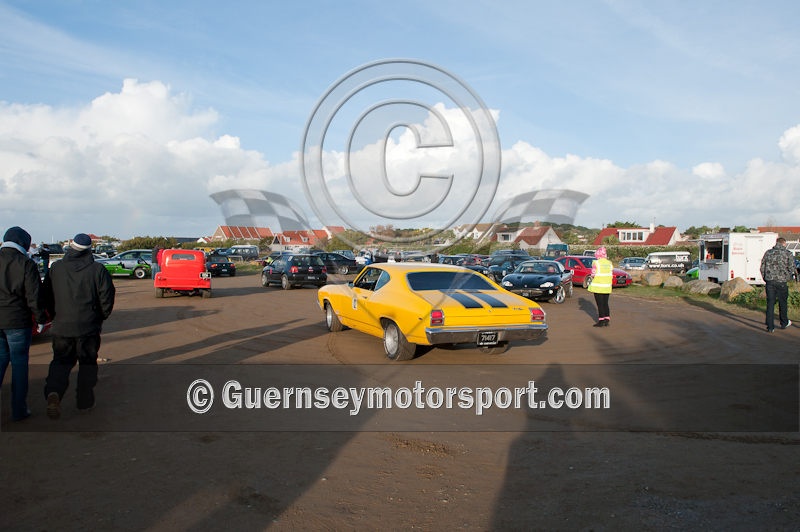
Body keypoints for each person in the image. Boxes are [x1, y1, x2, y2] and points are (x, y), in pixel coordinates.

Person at [43, 233, 115, 419]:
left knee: (60, 361)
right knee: (87, 363)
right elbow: (107, 296)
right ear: (89, 250)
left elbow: (46, 295)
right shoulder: (97, 269)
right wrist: (100, 316)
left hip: (62, 326)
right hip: (88, 326)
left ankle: (54, 392)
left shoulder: (56, 268)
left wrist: (54, 315)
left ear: (70, 248)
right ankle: (84, 401)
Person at [0, 226, 49, 421]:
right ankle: (19, 410)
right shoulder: (26, 264)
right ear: (24, 243)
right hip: (17, 322)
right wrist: (40, 319)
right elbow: (34, 297)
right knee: (19, 365)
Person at [760, 237, 795, 333]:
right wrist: (787, 277)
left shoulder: (768, 253)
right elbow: (792, 268)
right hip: (782, 282)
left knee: (770, 303)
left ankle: (770, 326)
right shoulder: (788, 253)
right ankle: (784, 322)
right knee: (782, 303)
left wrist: (765, 278)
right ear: (784, 243)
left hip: (770, 282)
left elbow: (762, 267)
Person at [587, 246, 613, 327]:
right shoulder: (609, 263)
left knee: (600, 304)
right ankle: (607, 319)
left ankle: (601, 320)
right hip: (607, 287)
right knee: (605, 303)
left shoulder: (596, 263)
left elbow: (593, 274)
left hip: (598, 286)